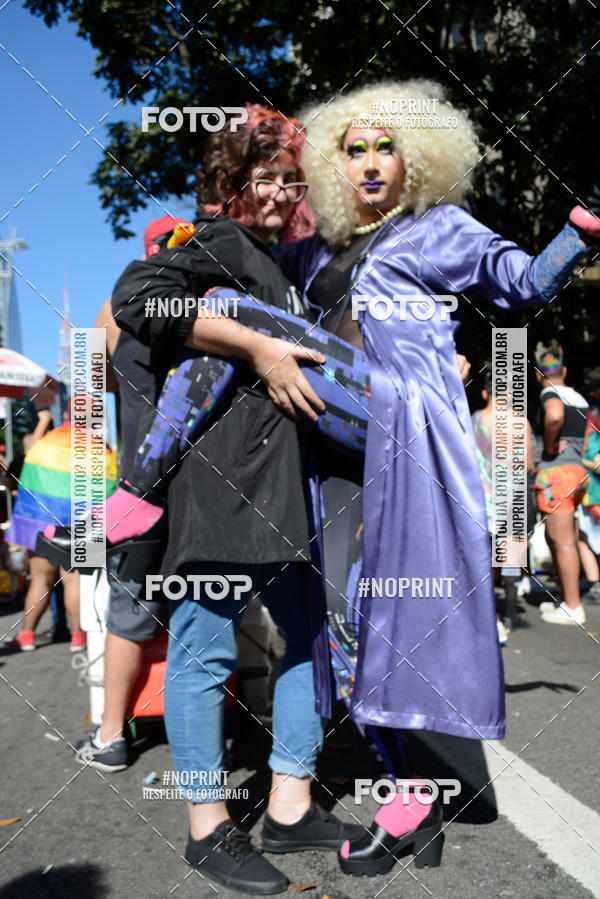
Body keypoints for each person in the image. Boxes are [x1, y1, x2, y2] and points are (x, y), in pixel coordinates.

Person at [272, 78, 600, 875]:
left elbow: (520, 283)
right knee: (345, 628)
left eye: (390, 146)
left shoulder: (437, 227)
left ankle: (410, 798)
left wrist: (582, 227)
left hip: (409, 449)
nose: (374, 162)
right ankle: (406, 787)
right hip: (330, 457)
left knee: (401, 624)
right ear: (333, 164)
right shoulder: (312, 251)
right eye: (356, 149)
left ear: (417, 159)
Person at [108, 106, 361, 895]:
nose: (285, 192)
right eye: (268, 177)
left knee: (305, 640)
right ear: (229, 181)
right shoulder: (214, 241)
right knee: (203, 651)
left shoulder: (279, 259)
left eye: (294, 179)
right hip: (220, 487)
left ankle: (287, 805)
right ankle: (206, 828)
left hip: (283, 487)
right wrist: (253, 343)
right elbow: (136, 297)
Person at [3, 402, 117, 652]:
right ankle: (78, 637)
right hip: (80, 526)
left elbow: (26, 467)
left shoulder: (45, 444)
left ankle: (27, 635)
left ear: (66, 415)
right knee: (74, 582)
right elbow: (109, 493)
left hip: (43, 524)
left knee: (40, 581)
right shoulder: (102, 451)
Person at [472, 364, 535, 639]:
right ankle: (510, 611)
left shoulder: (475, 420)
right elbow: (530, 465)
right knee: (511, 554)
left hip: (483, 499)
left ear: (486, 392)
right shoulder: (522, 423)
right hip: (514, 498)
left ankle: (489, 617)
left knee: (484, 557)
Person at [534, 341, 589, 625]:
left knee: (562, 540)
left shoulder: (548, 394)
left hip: (556, 474)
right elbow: (589, 432)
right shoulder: (578, 398)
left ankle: (572, 606)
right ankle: (566, 595)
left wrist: (552, 444)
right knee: (563, 537)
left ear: (539, 375)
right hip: (577, 473)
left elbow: (554, 415)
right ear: (564, 370)